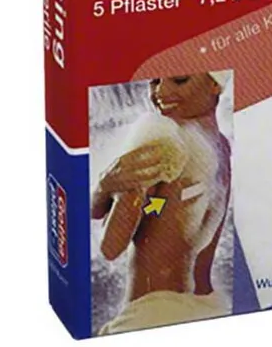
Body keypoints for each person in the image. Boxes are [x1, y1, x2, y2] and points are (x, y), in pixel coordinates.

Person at [92, 73, 232, 333]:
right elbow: (167, 207)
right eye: (154, 82)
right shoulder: (222, 146)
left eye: (179, 80)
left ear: (215, 84)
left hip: (154, 312)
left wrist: (106, 187)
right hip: (211, 305)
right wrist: (107, 189)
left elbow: (111, 247)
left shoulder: (159, 138)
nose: (160, 93)